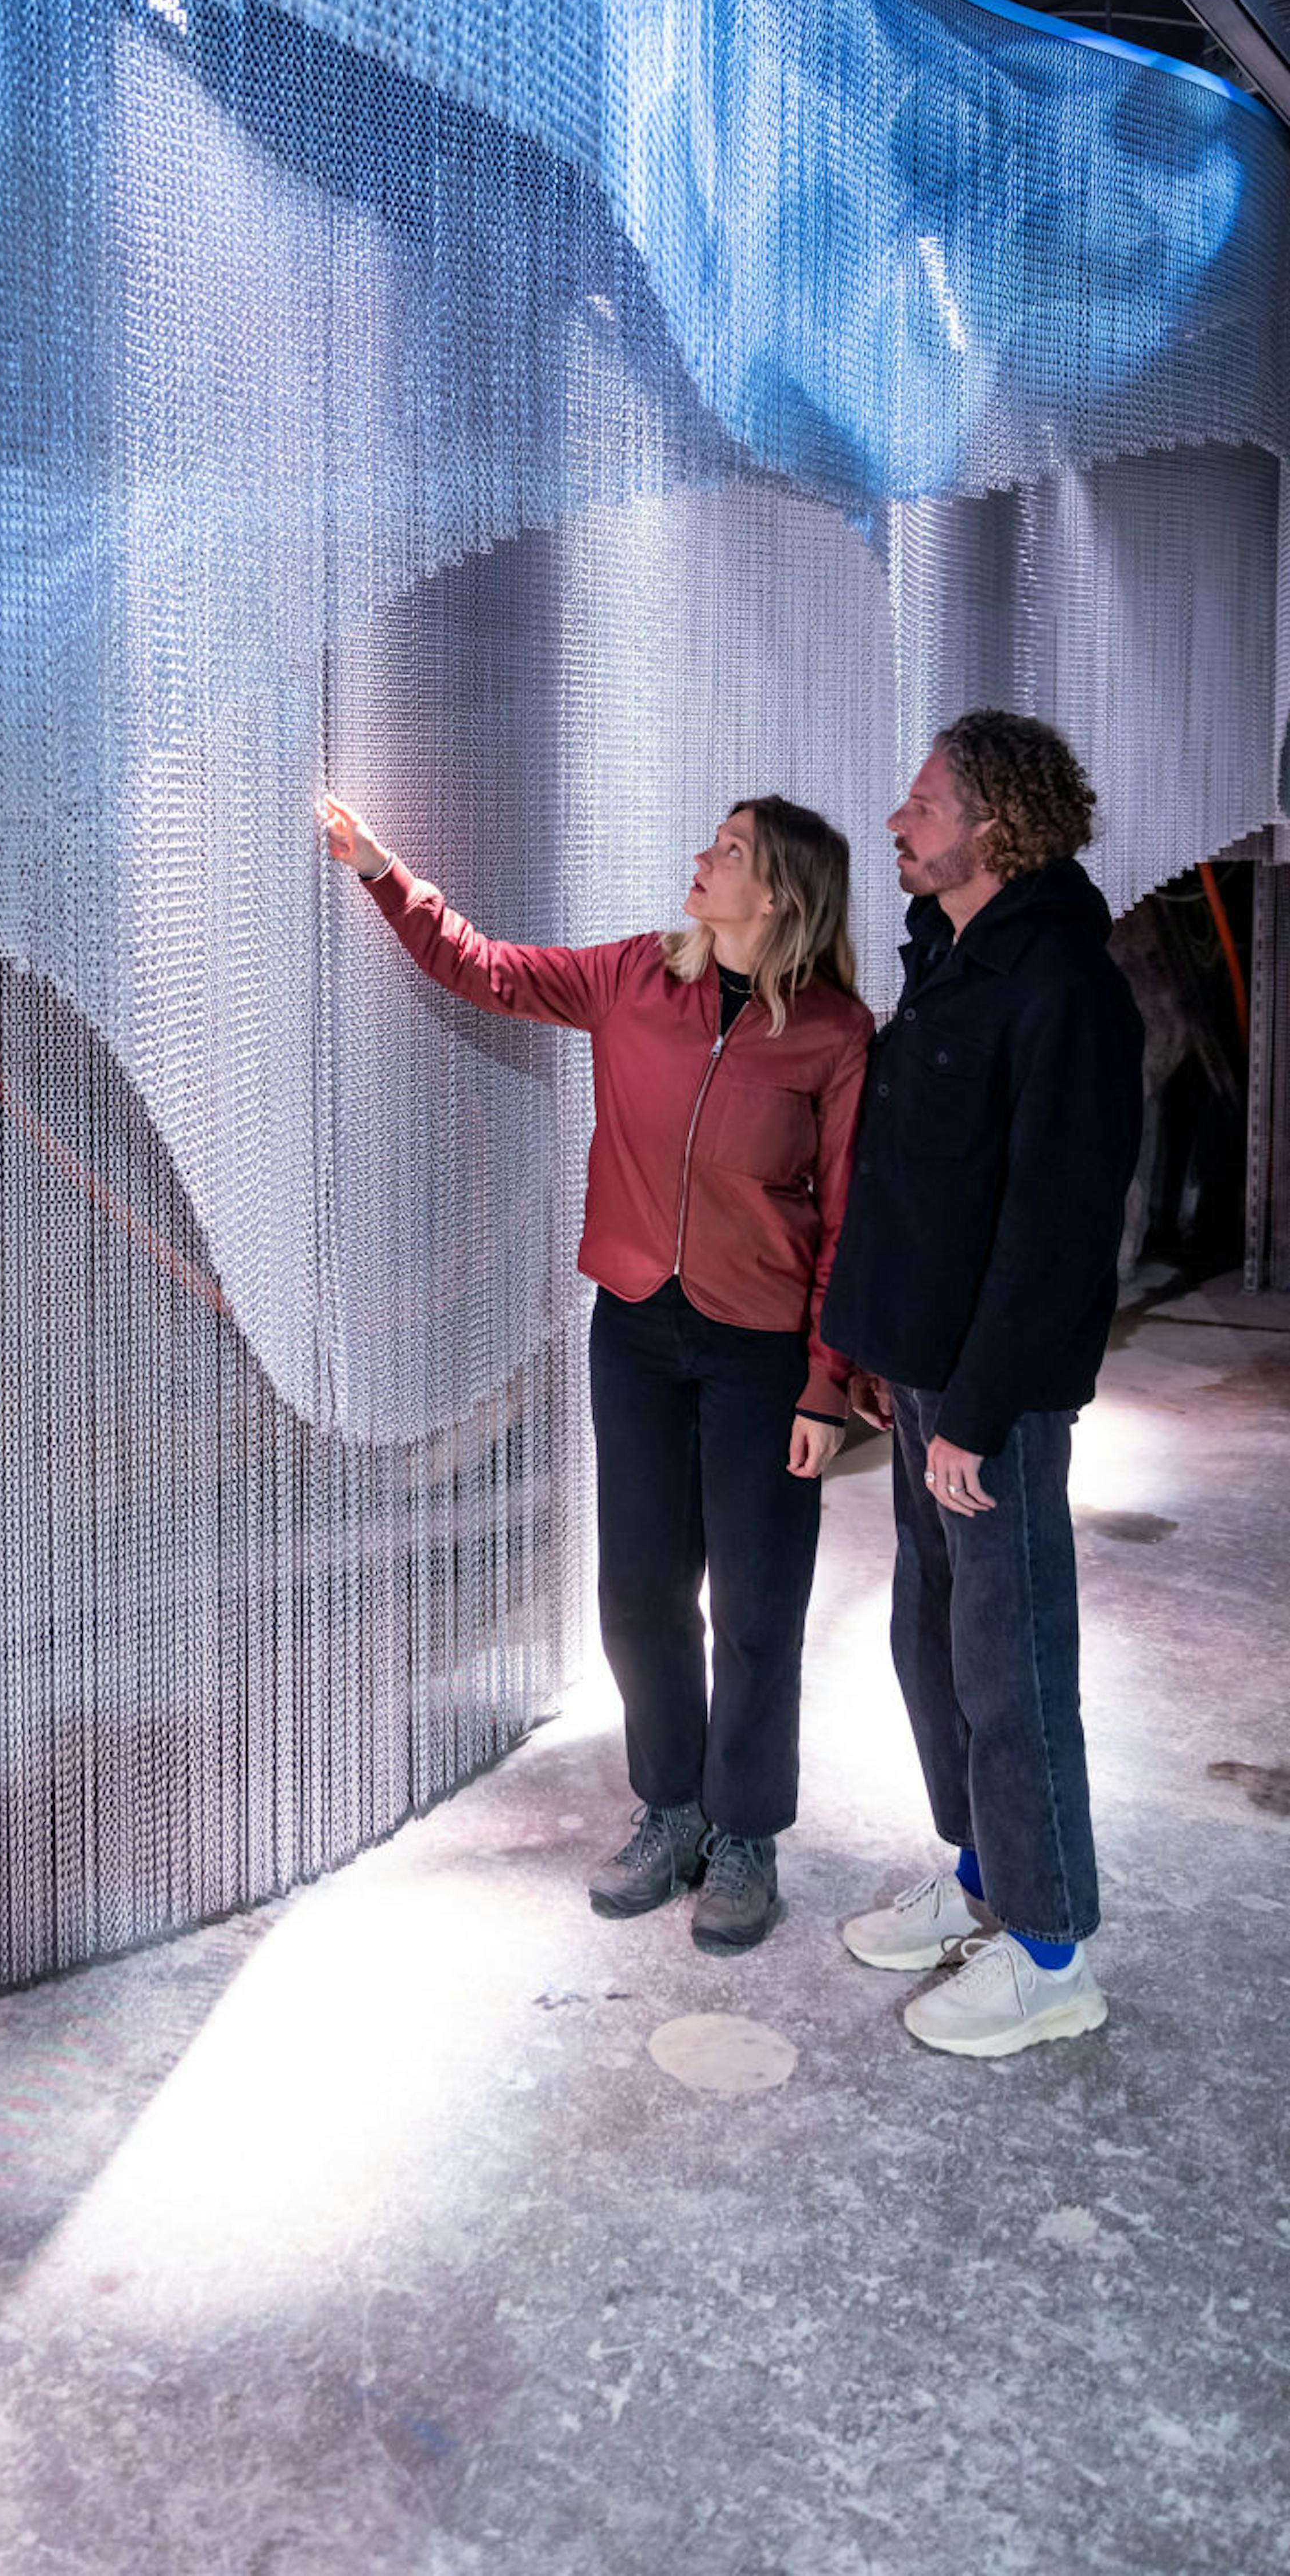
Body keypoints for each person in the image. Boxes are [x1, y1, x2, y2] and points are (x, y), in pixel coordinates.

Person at [320, 790, 872, 1952]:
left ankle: (748, 1834)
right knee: (639, 1593)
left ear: (777, 895)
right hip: (637, 1325)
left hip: (762, 1349)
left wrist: (829, 1387)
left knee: (760, 1609)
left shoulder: (833, 1033)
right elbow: (489, 971)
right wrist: (382, 871)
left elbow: (852, 1226)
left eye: (727, 852)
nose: (701, 858)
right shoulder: (634, 976)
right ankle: (672, 1807)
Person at [824, 711, 1144, 2058]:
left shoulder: (1063, 980)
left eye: (923, 804)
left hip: (985, 1398)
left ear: (994, 824)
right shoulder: (957, 957)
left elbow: (1058, 1223)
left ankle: (1053, 1949)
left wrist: (980, 1406)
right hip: (923, 1375)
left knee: (1011, 1666)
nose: (897, 823)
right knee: (933, 1646)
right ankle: (979, 1880)